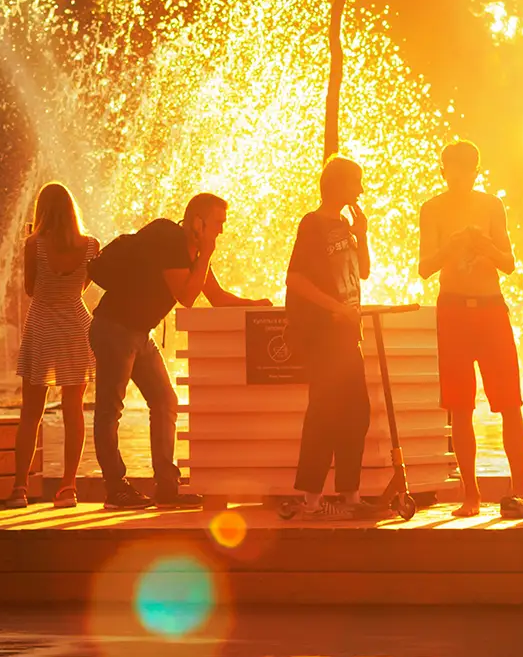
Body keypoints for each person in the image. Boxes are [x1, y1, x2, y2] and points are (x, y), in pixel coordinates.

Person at [89, 193, 271, 510]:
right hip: (114, 329)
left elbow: (214, 296)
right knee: (110, 409)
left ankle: (168, 487)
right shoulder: (169, 240)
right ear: (197, 221)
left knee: (165, 400)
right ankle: (115, 489)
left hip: (139, 333)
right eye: (217, 224)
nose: (221, 232)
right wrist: (206, 253)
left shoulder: (193, 252)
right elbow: (187, 296)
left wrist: (257, 305)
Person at [419, 140, 523, 519]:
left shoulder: (490, 205)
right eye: (452, 169)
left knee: (510, 401)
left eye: (466, 169)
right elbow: (424, 267)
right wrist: (449, 248)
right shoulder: (432, 208)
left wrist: (486, 248)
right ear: (444, 170)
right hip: (452, 310)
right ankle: (471, 494)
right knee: (459, 404)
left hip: (490, 307)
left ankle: (519, 490)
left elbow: (510, 262)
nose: (459, 176)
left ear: (476, 171)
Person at [285, 155, 371, 519]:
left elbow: (363, 273)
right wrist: (333, 308)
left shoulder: (347, 226)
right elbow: (295, 279)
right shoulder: (313, 224)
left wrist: (363, 235)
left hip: (348, 334)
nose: (361, 190)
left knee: (357, 412)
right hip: (323, 334)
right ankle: (311, 499)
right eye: (356, 183)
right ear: (336, 185)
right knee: (323, 412)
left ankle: (349, 495)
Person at [6, 183, 99, 509]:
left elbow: (32, 288)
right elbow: (83, 285)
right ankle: (68, 489)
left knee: (31, 412)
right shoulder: (91, 245)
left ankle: (19, 488)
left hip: (43, 324)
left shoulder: (35, 244)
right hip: (76, 325)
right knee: (73, 411)